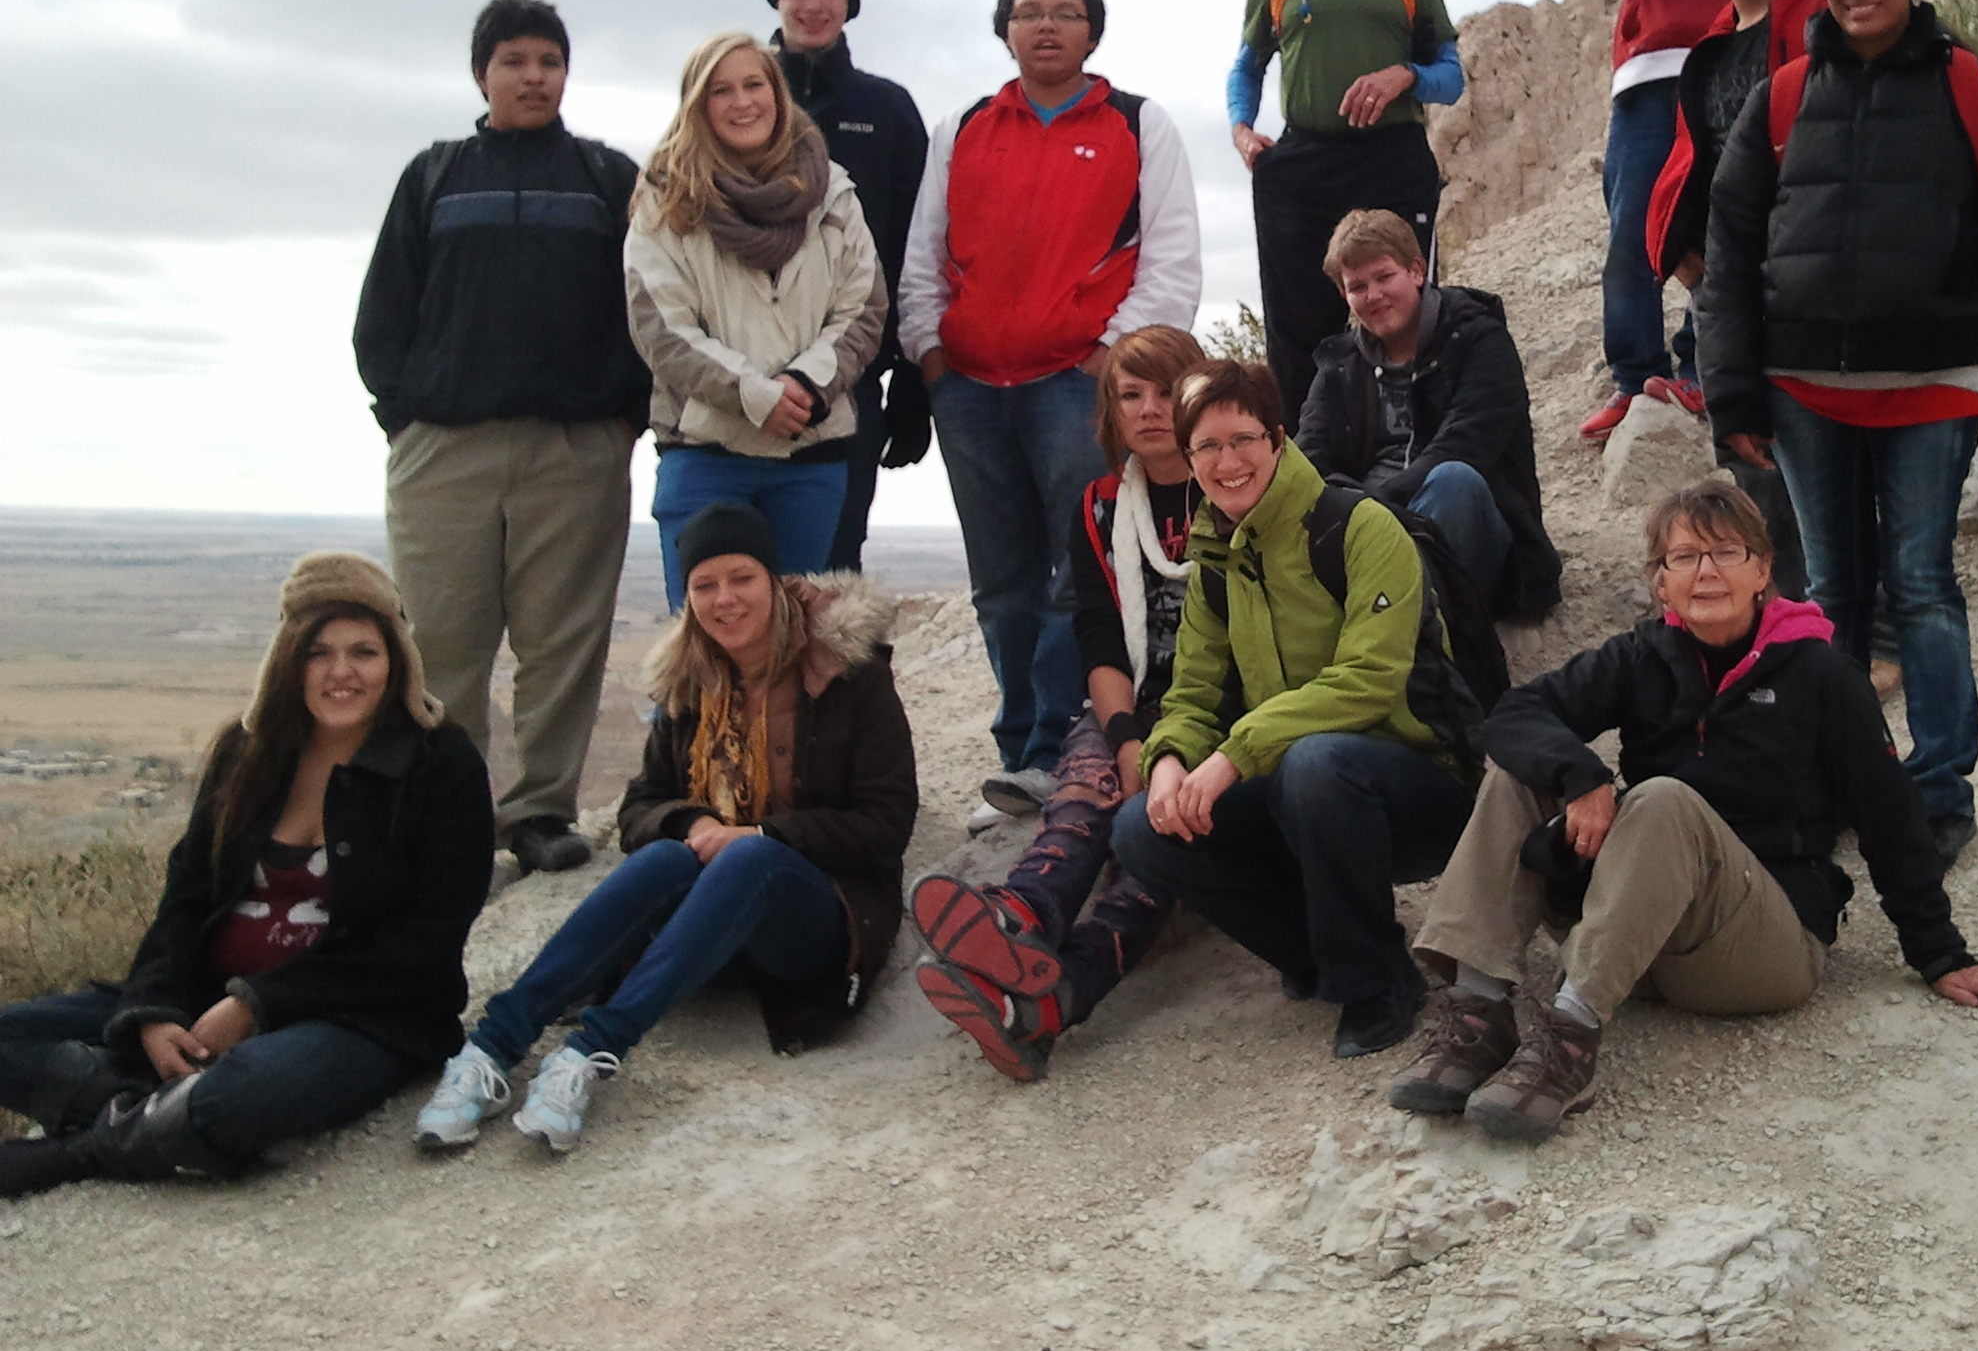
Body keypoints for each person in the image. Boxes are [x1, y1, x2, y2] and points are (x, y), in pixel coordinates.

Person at [1394, 480, 1978, 1144]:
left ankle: (1569, 1041)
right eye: (1685, 556)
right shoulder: (1642, 655)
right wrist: (1581, 776)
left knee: (1664, 798)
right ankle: (1478, 1010)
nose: (1706, 572)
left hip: (1761, 945)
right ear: (1660, 582)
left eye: (1727, 552)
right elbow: (1516, 715)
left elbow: (1889, 813)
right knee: (1520, 772)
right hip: (1640, 933)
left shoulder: (1820, 674)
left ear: (1763, 571)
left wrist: (1941, 955)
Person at [1696, 0, 1978, 865]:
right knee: (1829, 593)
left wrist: (1961, 256)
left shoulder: (1971, 84)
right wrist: (1734, 396)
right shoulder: (1783, 95)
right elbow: (1730, 254)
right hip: (1803, 387)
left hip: (1933, 379)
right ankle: (1841, 780)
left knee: (1921, 584)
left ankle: (1939, 790)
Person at [414, 504, 918, 1154]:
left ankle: (588, 1055)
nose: (724, 599)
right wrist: (696, 820)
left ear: (773, 581)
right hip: (709, 927)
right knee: (664, 861)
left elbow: (884, 826)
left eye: (741, 578)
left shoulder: (851, 677)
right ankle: (488, 1051)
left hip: (821, 924)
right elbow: (641, 807)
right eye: (704, 585)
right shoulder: (692, 679)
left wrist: (763, 838)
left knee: (744, 862)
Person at [0, 554, 494, 1197]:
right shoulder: (248, 750)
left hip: (362, 1020)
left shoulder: (442, 764)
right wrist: (154, 1013)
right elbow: (185, 898)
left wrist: (257, 1006)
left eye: (364, 652)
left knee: (249, 1094)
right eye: (318, 653)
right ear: (288, 660)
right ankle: (160, 1113)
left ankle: (87, 1149)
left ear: (397, 660)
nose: (341, 673)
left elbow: (422, 950)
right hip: (209, 999)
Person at [354, 0, 651, 877]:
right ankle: (449, 820)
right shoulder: (435, 176)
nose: (534, 77)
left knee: (563, 641)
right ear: (481, 72)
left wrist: (618, 421)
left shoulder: (607, 180)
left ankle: (540, 813)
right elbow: (383, 315)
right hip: (445, 451)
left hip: (576, 451)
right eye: (515, 61)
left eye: (550, 62)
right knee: (441, 645)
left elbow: (649, 309)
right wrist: (403, 418)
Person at [1110, 360, 1481, 1059]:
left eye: (1243, 439)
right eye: (1207, 447)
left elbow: (1369, 679)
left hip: (1420, 786)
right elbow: (1190, 692)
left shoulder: (1360, 528)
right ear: (1188, 461)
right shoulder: (1216, 558)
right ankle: (1316, 953)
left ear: (1278, 439)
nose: (1228, 462)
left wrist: (1234, 754)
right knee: (1140, 828)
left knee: (1317, 762)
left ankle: (1378, 984)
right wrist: (1168, 763)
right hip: (1301, 793)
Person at [900, 0, 1201, 814]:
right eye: (1028, 12)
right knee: (1001, 579)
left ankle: (1058, 748)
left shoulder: (1139, 125)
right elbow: (923, 255)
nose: (1046, 26)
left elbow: (1173, 260)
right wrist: (931, 357)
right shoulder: (962, 127)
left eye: (1065, 13)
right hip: (969, 388)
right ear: (1005, 30)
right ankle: (1017, 751)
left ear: (1092, 32)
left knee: (1082, 572)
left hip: (1076, 387)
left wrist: (1107, 363)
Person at [908, 325, 1204, 1080]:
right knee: (1084, 797)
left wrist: (1170, 748)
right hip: (1130, 704)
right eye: (1129, 394)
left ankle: (1045, 993)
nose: (1148, 410)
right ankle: (1020, 925)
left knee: (1148, 857)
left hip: (1219, 717)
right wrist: (1130, 736)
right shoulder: (1100, 505)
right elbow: (1098, 644)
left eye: (1165, 391)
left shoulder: (1234, 484)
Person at [626, 30, 886, 606]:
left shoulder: (834, 193)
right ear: (698, 104)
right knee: (704, 653)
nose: (743, 102)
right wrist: (752, 393)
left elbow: (864, 307)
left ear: (778, 93)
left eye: (754, 84)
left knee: (795, 650)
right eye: (721, 90)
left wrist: (804, 384)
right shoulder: (665, 199)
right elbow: (660, 327)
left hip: (811, 456)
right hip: (706, 456)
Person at [1229, 0, 1464, 424]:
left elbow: (1451, 76)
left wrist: (1402, 75)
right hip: (1302, 160)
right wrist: (1241, 129)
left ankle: (1415, 436)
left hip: (1392, 153)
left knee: (1404, 302)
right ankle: (1306, 458)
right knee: (1295, 324)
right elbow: (1247, 64)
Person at [1642, 0, 1829, 596]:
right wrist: (1686, 257)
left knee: (1821, 445)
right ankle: (1786, 615)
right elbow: (1697, 156)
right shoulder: (1714, 45)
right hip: (1730, 275)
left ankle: (1852, 625)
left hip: (1809, 261)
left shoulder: (1823, 17)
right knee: (1751, 444)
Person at [1580, 0, 1766, 442]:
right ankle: (1634, 381)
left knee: (1723, 221)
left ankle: (1700, 369)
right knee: (1633, 233)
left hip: (1726, 63)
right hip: (1643, 79)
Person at [765, 0, 935, 572]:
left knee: (833, 571)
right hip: (741, 374)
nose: (814, 4)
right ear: (776, 0)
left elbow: (919, 248)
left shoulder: (886, 110)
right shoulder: (735, 100)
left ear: (849, 3)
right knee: (744, 576)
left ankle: (836, 680)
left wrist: (914, 385)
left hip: (851, 379)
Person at [1293, 209, 1561, 619]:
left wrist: (1373, 511)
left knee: (1454, 480)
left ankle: (1386, 621)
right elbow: (1308, 457)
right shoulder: (1339, 363)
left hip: (1466, 531)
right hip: (1365, 529)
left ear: (1417, 270)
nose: (1374, 295)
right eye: (1357, 286)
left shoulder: (1477, 338)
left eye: (1384, 277)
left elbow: (1466, 446)